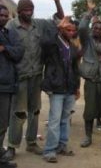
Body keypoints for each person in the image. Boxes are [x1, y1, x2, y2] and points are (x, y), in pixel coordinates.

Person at [1, 0, 64, 161]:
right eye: (26, 10)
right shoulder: (11, 26)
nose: (29, 13)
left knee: (35, 110)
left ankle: (31, 143)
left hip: (36, 75)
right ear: (19, 12)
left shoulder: (39, 25)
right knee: (18, 113)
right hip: (19, 77)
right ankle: (12, 146)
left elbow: (60, 19)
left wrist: (57, 1)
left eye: (31, 10)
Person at [41, 17, 80, 163]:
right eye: (67, 30)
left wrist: (76, 87)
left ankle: (62, 146)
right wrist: (57, 28)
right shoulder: (54, 44)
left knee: (65, 119)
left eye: (72, 30)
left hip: (69, 89)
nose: (70, 32)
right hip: (57, 88)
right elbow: (44, 42)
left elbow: (75, 68)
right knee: (54, 120)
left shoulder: (73, 47)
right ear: (62, 30)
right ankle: (49, 150)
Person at [79, 0, 101, 148]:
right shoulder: (86, 40)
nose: (98, 29)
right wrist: (89, 12)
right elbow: (81, 27)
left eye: (100, 28)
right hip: (91, 79)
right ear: (92, 28)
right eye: (95, 27)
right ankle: (88, 137)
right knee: (89, 110)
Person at [0, 2, 24, 168]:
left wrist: (4, 49)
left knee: (3, 123)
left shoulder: (8, 33)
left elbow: (19, 52)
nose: (2, 18)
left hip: (8, 85)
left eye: (5, 16)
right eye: (0, 15)